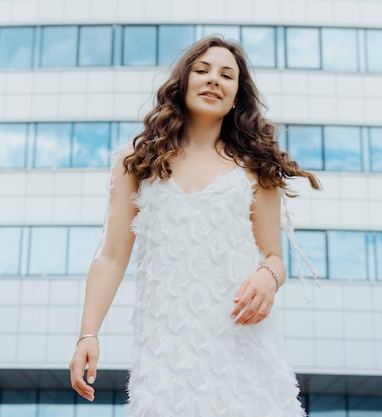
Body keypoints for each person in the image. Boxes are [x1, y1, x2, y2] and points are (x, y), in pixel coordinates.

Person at [69, 36, 321, 416]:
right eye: (202, 71)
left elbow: (273, 256)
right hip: (166, 350)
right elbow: (111, 258)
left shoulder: (255, 166)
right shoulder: (137, 162)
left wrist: (268, 277)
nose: (213, 80)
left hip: (242, 343)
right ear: (183, 82)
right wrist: (88, 334)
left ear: (237, 95)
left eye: (226, 75)